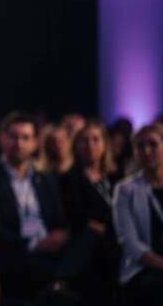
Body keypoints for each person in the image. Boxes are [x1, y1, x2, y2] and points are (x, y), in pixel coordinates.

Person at [0, 111, 89, 300]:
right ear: (2, 139)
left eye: (25, 138)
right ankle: (59, 284)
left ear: (35, 143)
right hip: (18, 251)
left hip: (51, 247)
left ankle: (59, 283)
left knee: (87, 241)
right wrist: (35, 244)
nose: (19, 143)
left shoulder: (46, 179)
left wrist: (60, 236)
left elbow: (60, 219)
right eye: (13, 137)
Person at [113, 123, 163, 305]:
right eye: (141, 147)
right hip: (144, 267)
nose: (146, 151)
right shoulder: (125, 190)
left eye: (153, 145)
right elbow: (130, 244)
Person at [58, 119, 120, 304]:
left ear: (104, 144)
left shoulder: (117, 177)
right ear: (76, 146)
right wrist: (112, 234)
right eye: (84, 140)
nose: (90, 145)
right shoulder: (69, 178)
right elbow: (80, 218)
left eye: (95, 139)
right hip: (92, 237)